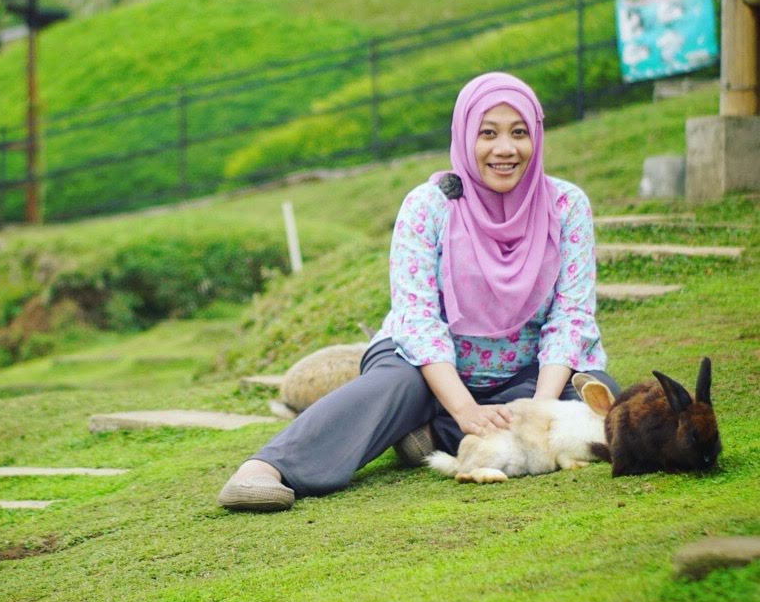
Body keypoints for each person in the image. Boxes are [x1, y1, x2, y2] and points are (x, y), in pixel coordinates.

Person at [217, 71, 619, 512]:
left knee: (598, 397)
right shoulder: (428, 206)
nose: (505, 149)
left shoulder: (566, 206)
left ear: (536, 137)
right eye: (488, 133)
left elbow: (571, 316)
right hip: (424, 368)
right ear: (464, 135)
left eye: (519, 133)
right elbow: (420, 320)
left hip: (526, 374)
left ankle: (428, 433)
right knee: (393, 387)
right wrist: (463, 407)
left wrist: (540, 411)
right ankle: (267, 467)